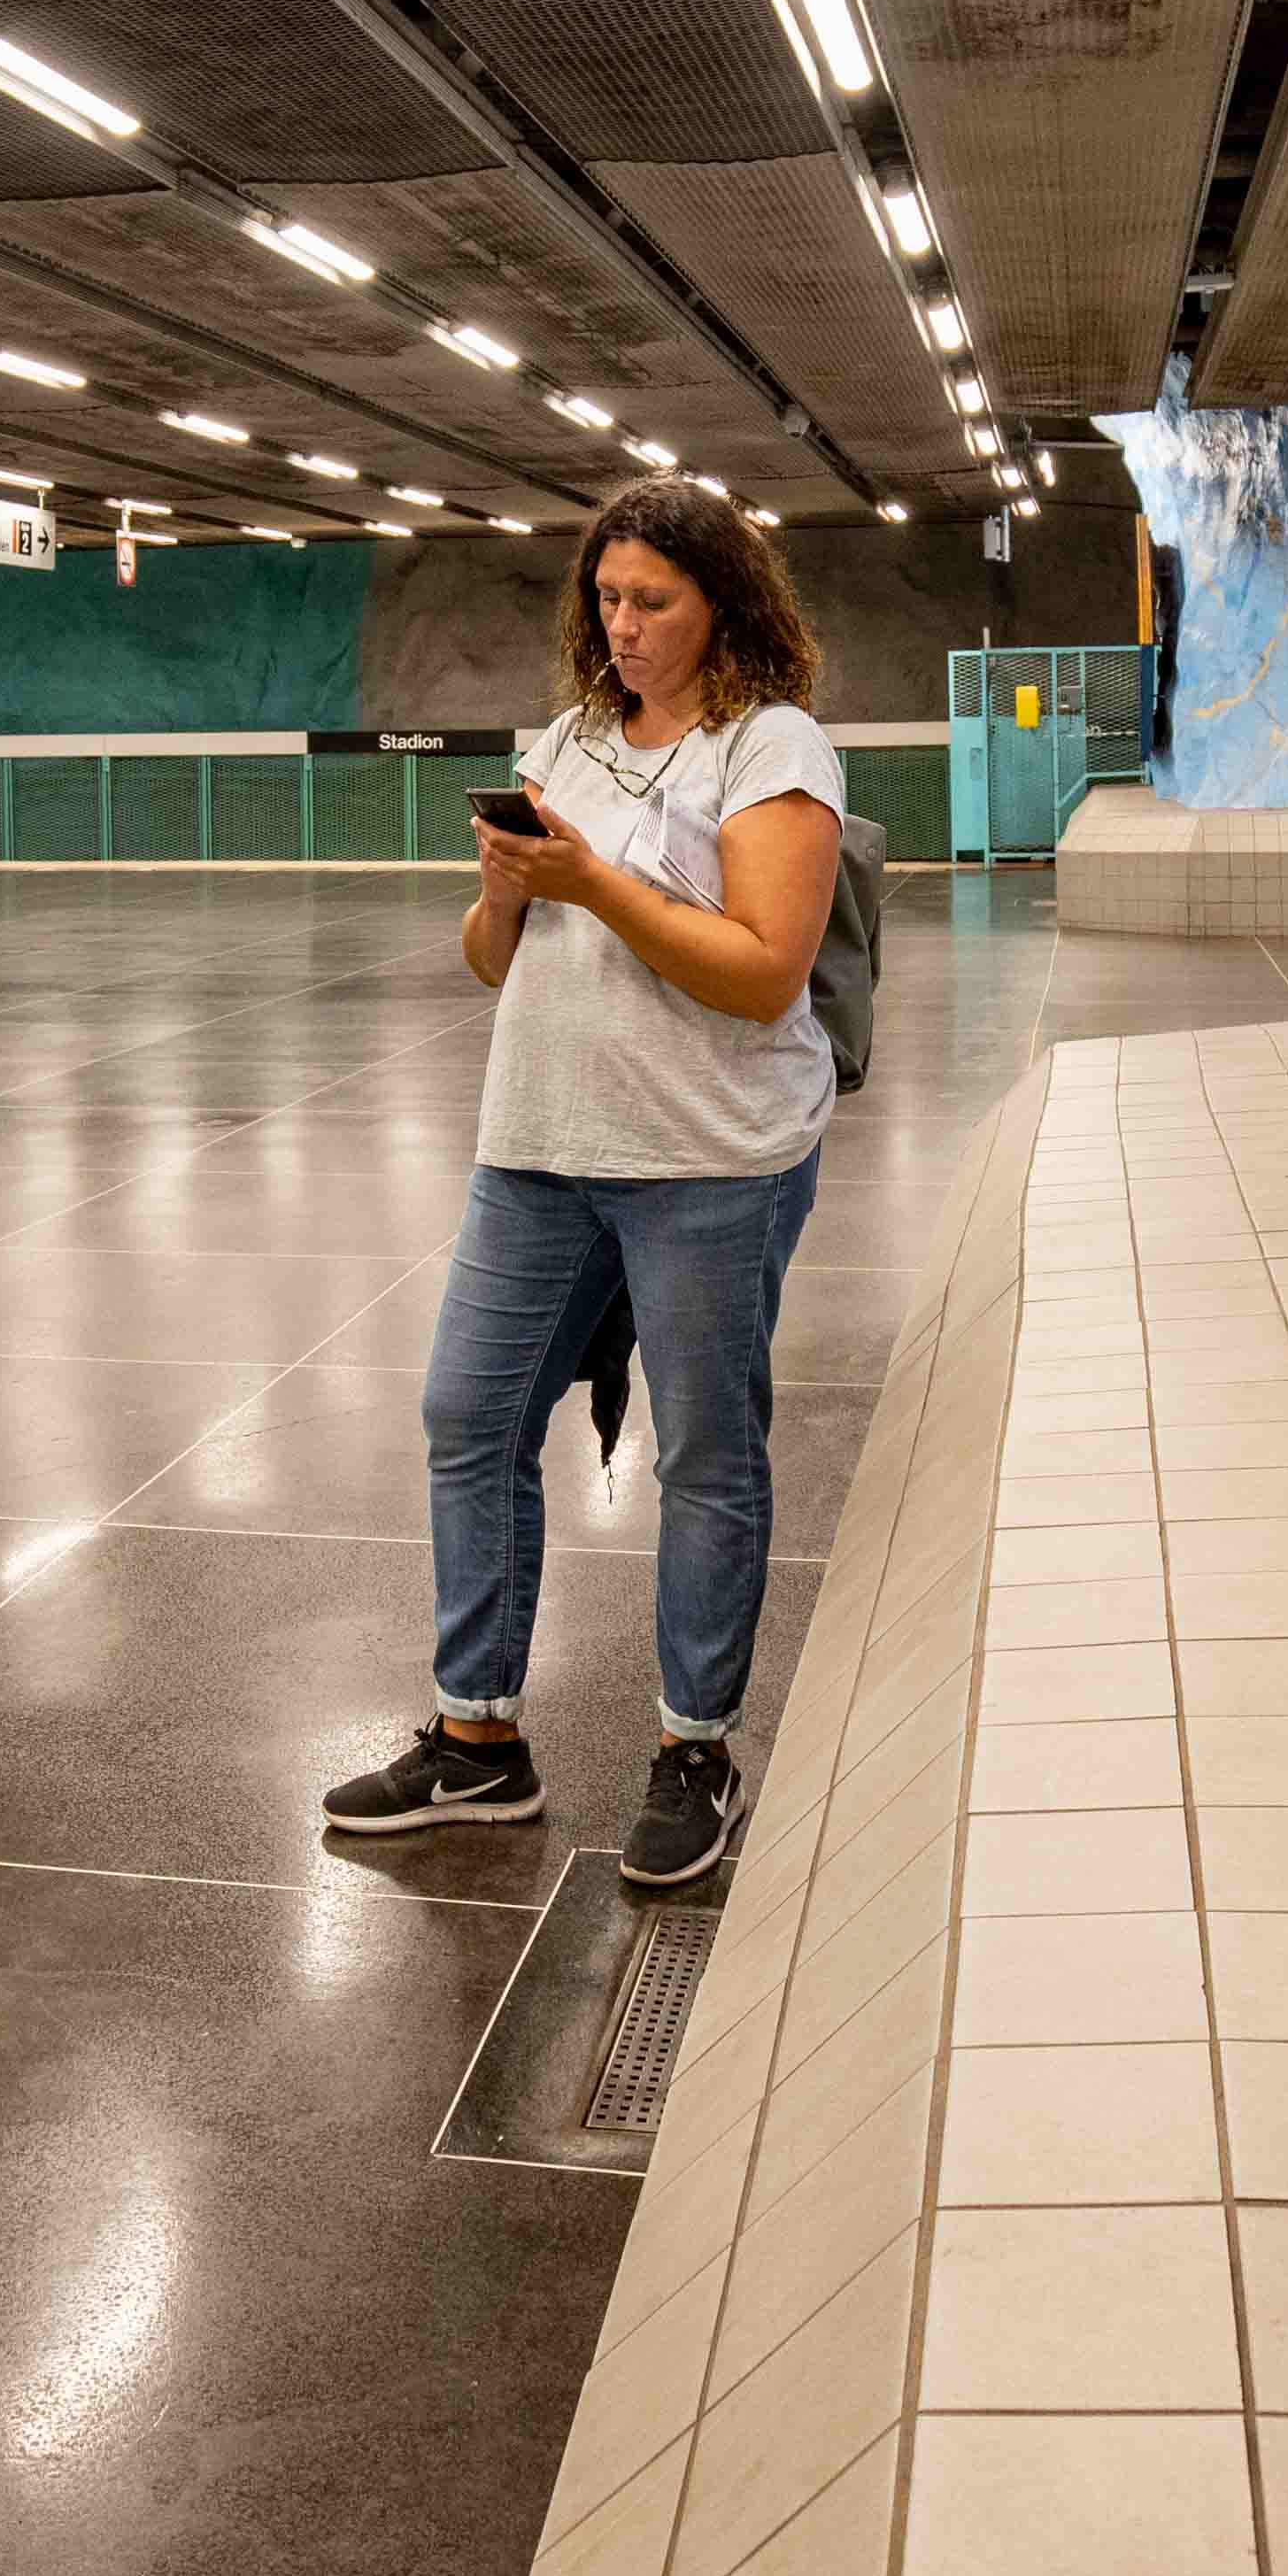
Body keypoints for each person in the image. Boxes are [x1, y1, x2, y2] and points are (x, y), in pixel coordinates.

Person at [320, 477, 845, 1889]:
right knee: (468, 1414)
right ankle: (476, 1738)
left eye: (652, 600)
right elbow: (492, 960)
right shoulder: (566, 738)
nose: (622, 624)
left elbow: (765, 972)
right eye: (606, 597)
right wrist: (507, 884)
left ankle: (696, 1747)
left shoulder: (771, 747)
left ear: (720, 603)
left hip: (704, 1158)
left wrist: (595, 881)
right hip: (537, 1149)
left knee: (705, 1455)